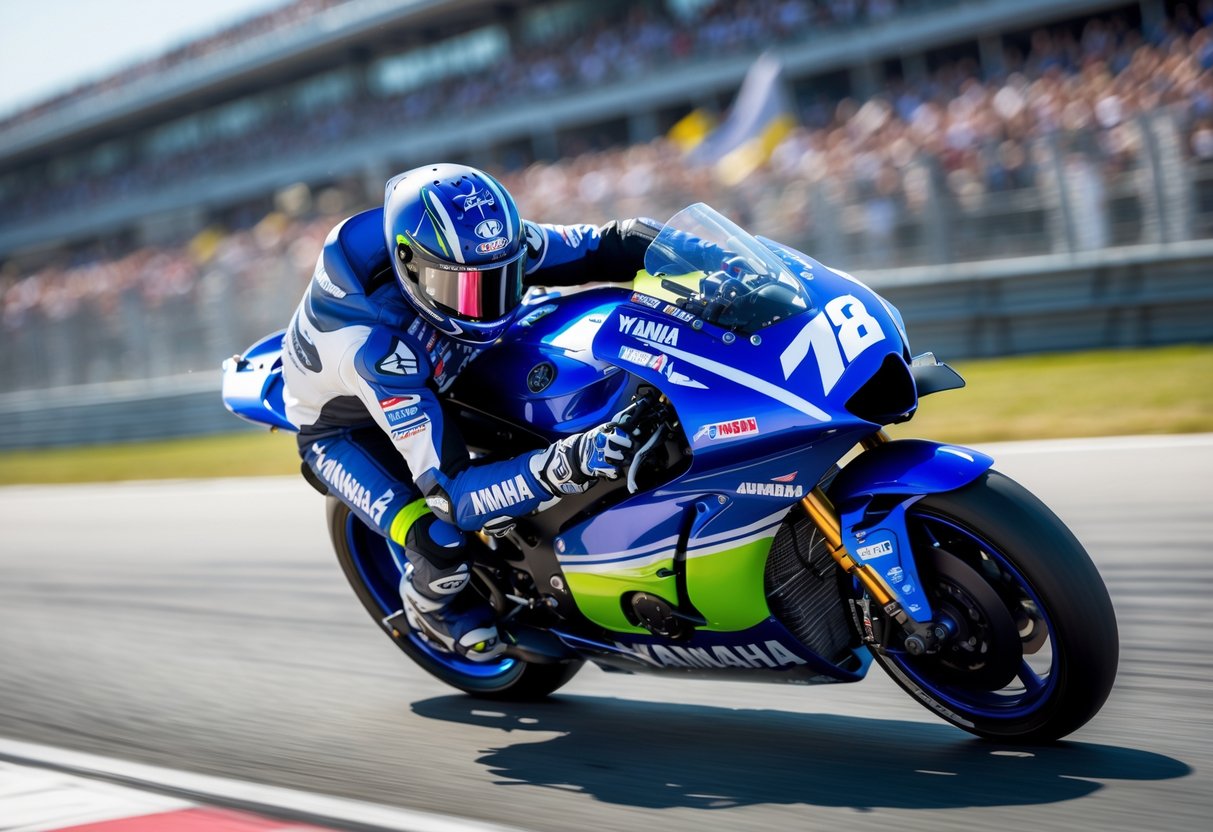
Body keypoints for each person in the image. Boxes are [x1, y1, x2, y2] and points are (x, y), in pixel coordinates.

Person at [281, 163, 661, 661]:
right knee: (438, 537)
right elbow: (452, 494)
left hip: (445, 365)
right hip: (347, 430)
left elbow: (604, 244)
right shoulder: (374, 347)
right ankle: (430, 610)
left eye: (502, 280)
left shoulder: (479, 245)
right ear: (410, 267)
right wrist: (567, 463)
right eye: (464, 290)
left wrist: (697, 255)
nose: (487, 304)